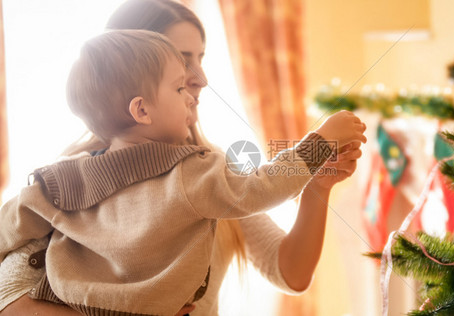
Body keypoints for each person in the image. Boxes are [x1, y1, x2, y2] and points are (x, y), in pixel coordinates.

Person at [0, 0, 365, 315]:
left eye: (200, 58)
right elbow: (9, 300)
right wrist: (315, 146)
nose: (201, 78)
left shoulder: (209, 169)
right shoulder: (67, 179)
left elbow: (291, 272)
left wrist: (318, 182)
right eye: (181, 61)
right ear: (134, 91)